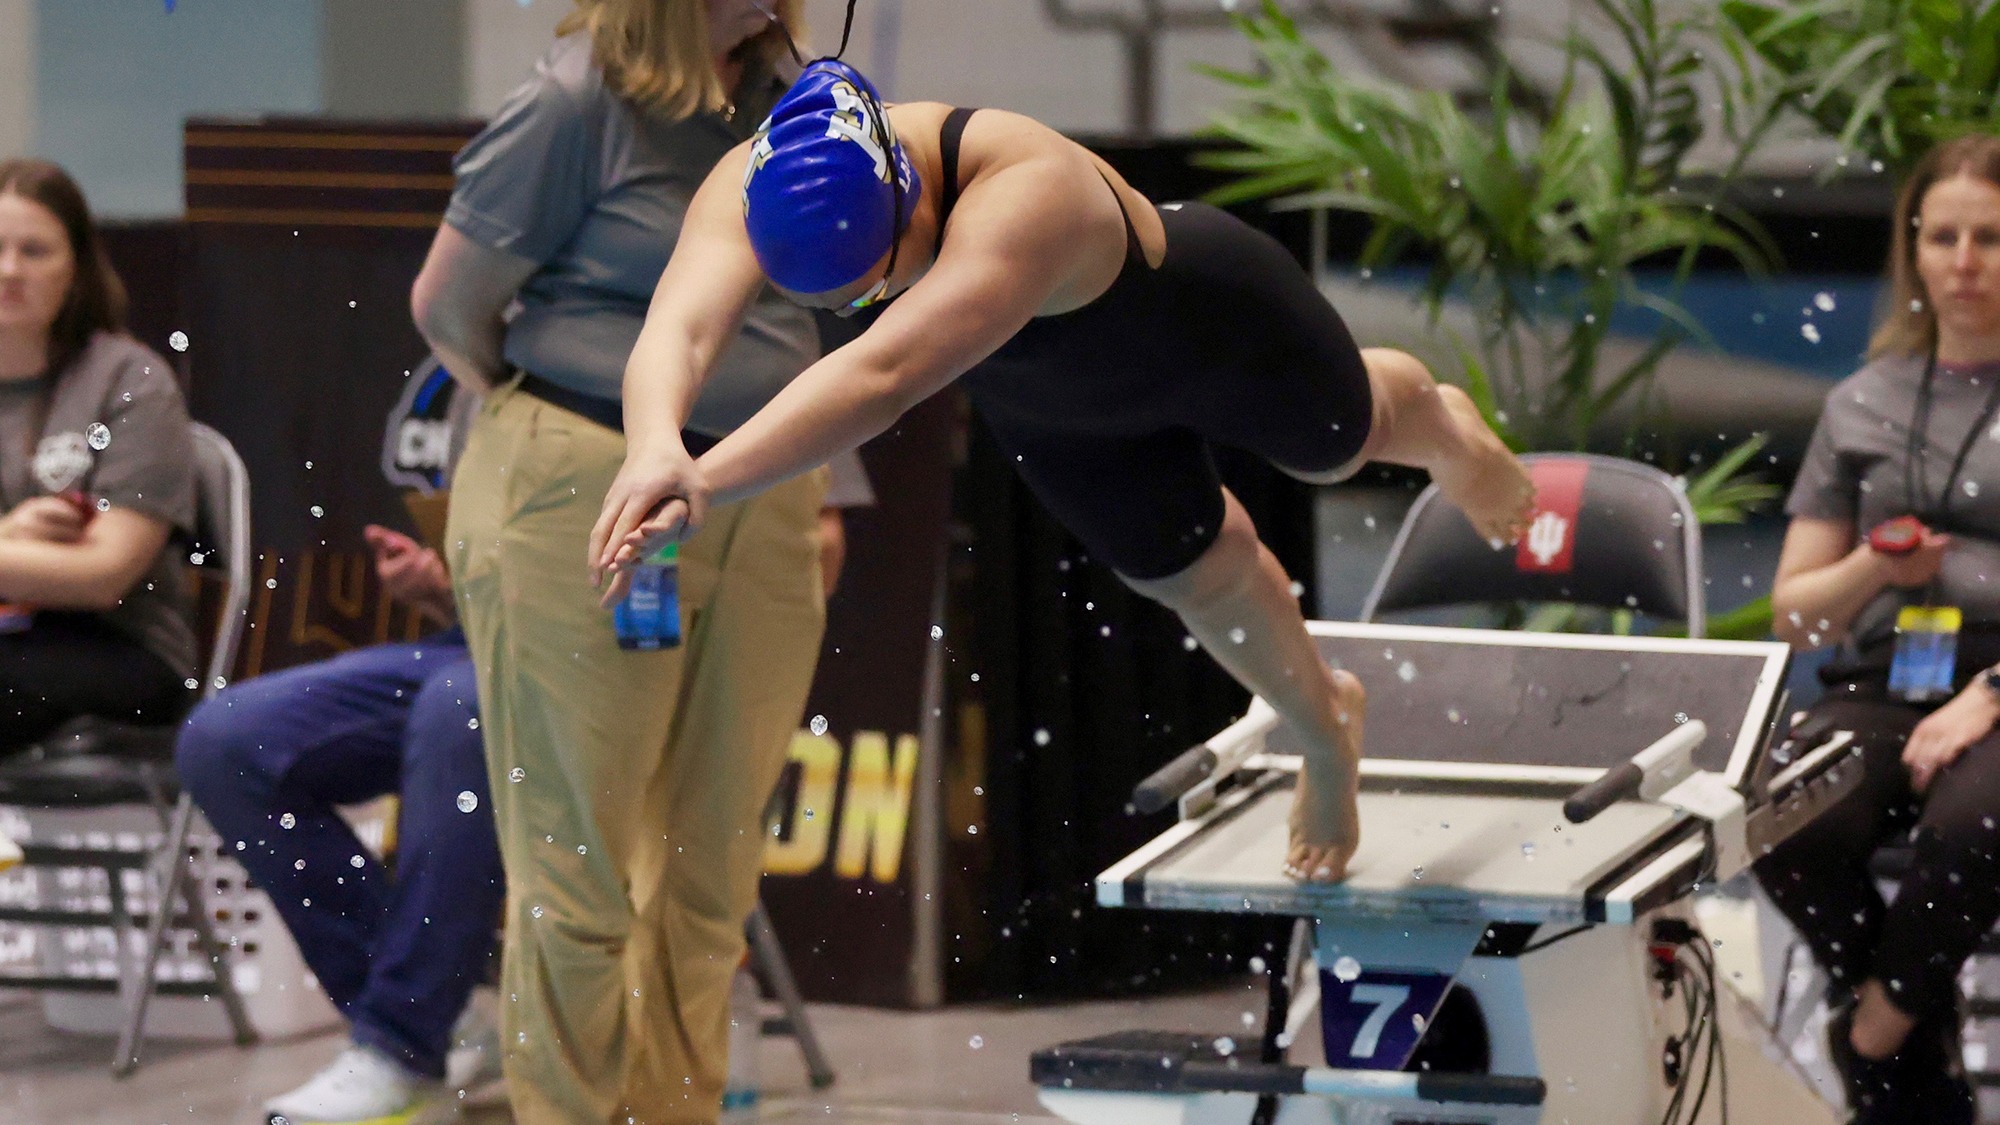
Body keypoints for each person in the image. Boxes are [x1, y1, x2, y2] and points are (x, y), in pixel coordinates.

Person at [589, 55, 1536, 886]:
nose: (867, 303)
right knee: (1188, 572)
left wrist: (706, 480)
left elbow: (880, 377)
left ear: (912, 190)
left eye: (876, 282)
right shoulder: (752, 182)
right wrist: (654, 444)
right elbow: (680, 326)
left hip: (1202, 325)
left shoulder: (1023, 187)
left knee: (1343, 440)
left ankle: (1446, 429)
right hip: (1056, 405)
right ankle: (1326, 727)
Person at [409, 2, 837, 1121]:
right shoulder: (572, 103)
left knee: (709, 879)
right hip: (586, 487)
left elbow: (809, 319)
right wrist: (582, 422)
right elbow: (450, 310)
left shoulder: (793, 93)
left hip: (759, 492)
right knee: (578, 868)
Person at [1756, 133, 2000, 1125]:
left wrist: (1986, 698)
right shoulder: (1859, 403)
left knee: (1969, 824)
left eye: (1987, 237)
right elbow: (1794, 611)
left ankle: (1869, 1045)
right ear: (1912, 250)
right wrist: (1873, 566)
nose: (1961, 260)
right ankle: (1911, 1025)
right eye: (1939, 236)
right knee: (1781, 813)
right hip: (1887, 673)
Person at [176, 518, 503, 1125]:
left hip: (606, 641)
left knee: (459, 709)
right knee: (224, 742)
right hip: (478, 636)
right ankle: (447, 1018)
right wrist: (439, 585)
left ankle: (402, 1041)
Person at [0, 158, 195, 747]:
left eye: (34, 251)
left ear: (77, 268)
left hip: (120, 647)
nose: (9, 270)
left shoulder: (128, 381)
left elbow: (102, 576)